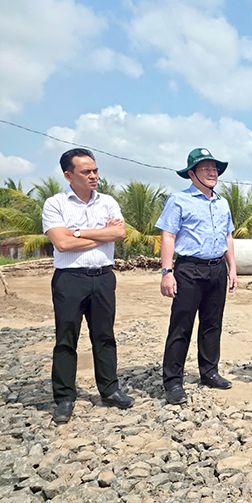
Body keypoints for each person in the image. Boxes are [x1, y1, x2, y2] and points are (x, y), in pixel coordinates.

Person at [42, 148, 134, 424]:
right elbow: (62, 243)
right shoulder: (55, 204)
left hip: (103, 277)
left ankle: (110, 390)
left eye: (95, 170)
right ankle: (64, 397)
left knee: (105, 336)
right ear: (68, 175)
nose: (93, 176)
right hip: (70, 279)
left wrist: (78, 232)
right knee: (66, 339)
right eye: (86, 172)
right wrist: (102, 235)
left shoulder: (108, 202)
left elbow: (119, 232)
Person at [156, 148, 238, 405]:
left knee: (213, 323)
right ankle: (173, 381)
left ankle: (209, 372)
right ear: (192, 174)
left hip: (217, 269)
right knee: (181, 325)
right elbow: (168, 236)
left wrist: (232, 268)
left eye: (214, 168)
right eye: (206, 168)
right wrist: (167, 272)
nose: (212, 173)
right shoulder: (178, 200)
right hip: (189, 269)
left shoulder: (222, 203)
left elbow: (228, 236)